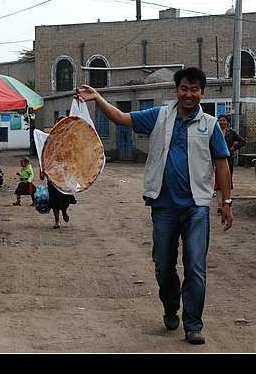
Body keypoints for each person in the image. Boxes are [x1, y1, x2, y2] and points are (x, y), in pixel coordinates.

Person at [75, 67, 233, 346]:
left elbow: (222, 163)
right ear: (177, 90)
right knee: (163, 265)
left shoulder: (210, 125)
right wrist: (98, 98)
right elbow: (122, 118)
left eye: (194, 89)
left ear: (202, 92)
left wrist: (227, 202)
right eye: (184, 88)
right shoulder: (159, 116)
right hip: (164, 206)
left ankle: (193, 324)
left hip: (197, 206)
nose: (189, 94)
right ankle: (171, 307)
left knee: (195, 266)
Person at [213, 115, 246, 214]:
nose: (222, 122)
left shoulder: (231, 133)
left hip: (228, 160)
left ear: (227, 122)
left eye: (224, 120)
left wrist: (233, 148)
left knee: (226, 181)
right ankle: (219, 205)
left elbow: (242, 141)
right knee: (217, 182)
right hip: (216, 160)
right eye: (220, 120)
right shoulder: (214, 132)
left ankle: (225, 203)